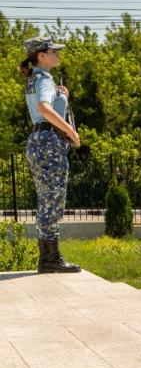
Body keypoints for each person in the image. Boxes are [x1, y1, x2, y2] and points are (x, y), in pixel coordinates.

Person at [19, 37, 82, 274]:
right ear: (41, 56)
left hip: (40, 141)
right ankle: (50, 259)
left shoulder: (37, 79)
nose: (57, 54)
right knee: (52, 200)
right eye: (53, 51)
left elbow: (48, 104)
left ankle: (49, 257)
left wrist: (61, 95)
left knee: (47, 199)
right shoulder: (43, 78)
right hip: (49, 142)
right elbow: (44, 109)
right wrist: (70, 131)